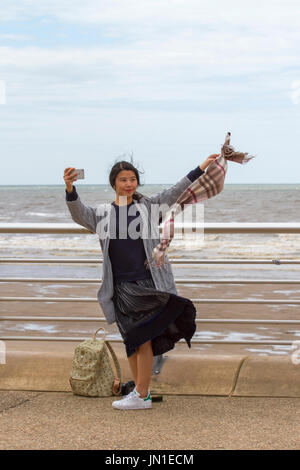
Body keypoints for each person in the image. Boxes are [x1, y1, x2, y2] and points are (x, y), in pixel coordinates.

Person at [64, 154, 219, 410]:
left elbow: (176, 190)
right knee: (132, 340)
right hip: (120, 287)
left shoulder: (148, 207)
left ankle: (143, 394)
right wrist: (70, 188)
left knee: (143, 338)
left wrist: (202, 167)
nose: (129, 184)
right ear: (113, 183)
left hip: (147, 282)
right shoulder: (102, 214)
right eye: (123, 180)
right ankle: (138, 391)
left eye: (133, 179)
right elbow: (80, 214)